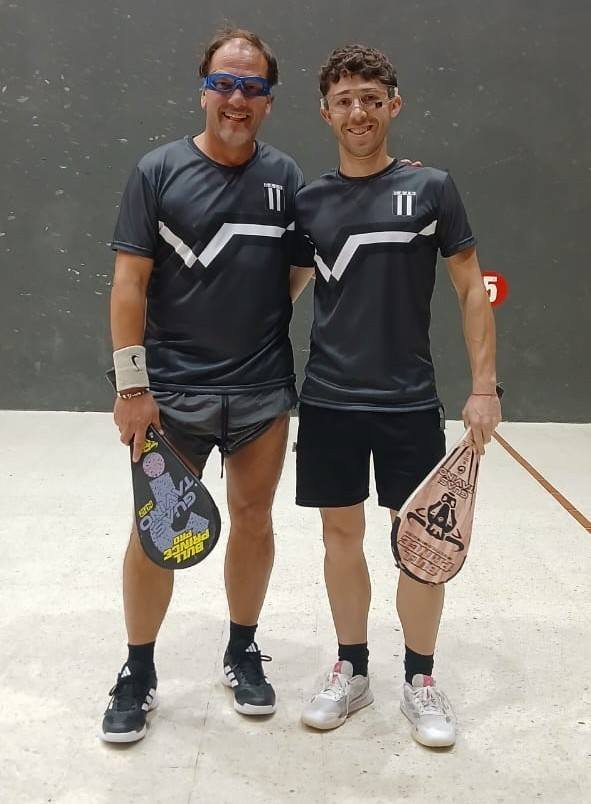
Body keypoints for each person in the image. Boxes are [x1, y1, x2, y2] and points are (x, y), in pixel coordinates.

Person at [101, 27, 313, 743]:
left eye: (252, 87)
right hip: (170, 397)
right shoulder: (156, 172)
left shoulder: (286, 178)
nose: (236, 98)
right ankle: (137, 669)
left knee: (254, 520)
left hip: (261, 392)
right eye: (224, 83)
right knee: (156, 529)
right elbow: (128, 284)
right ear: (203, 90)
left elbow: (295, 274)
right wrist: (134, 387)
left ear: (269, 99)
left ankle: (242, 650)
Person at [293, 44, 501, 747]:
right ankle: (351, 669)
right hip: (328, 399)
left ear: (393, 105)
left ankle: (419, 679)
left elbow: (470, 288)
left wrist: (483, 387)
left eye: (371, 99)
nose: (358, 112)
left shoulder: (431, 188)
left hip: (408, 400)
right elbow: (279, 293)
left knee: (419, 545)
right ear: (326, 112)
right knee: (339, 536)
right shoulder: (309, 202)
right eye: (344, 100)